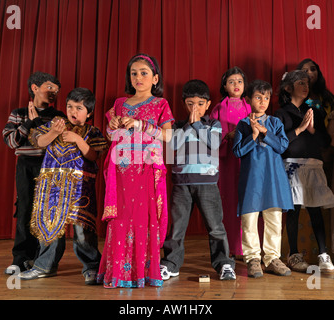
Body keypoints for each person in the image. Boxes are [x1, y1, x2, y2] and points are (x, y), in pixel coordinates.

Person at [97, 53, 174, 288]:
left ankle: (142, 273)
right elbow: (112, 136)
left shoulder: (160, 104)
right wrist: (111, 127)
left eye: (143, 73)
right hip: (120, 171)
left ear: (155, 78)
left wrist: (141, 125)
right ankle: (117, 273)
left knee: (142, 219)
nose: (138, 77)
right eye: (133, 73)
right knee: (120, 219)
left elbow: (168, 136)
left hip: (145, 170)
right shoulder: (120, 103)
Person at [18, 88, 108, 284]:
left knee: (83, 232)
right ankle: (44, 266)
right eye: (69, 106)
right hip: (52, 187)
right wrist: (53, 132)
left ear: (89, 113)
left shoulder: (92, 132)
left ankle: (92, 267)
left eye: (79, 108)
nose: (73, 111)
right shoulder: (53, 125)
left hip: (80, 189)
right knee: (49, 228)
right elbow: (39, 142)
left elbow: (94, 156)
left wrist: (77, 139)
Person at [160, 79, 236, 281]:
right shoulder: (176, 125)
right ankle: (170, 264)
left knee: (216, 227)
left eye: (200, 104)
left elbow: (214, 143)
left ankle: (224, 264)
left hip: (208, 184)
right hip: (181, 184)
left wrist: (196, 124)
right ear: (184, 103)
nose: (195, 108)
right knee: (176, 228)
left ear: (208, 104)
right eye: (190, 104)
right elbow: (173, 144)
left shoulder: (213, 124)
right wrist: (188, 126)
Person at [2, 71, 63, 275]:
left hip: (50, 166)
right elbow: (12, 142)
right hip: (26, 165)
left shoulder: (59, 116)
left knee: (47, 212)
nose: (54, 92)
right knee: (25, 209)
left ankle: (41, 259)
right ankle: (20, 259)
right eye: (49, 87)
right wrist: (29, 122)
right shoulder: (18, 113)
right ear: (35, 88)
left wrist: (37, 124)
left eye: (56, 89)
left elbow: (56, 142)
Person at [233, 80, 294, 278]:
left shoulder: (275, 123)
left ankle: (272, 258)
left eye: (266, 98)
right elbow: (238, 151)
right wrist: (253, 134)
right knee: (249, 220)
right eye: (258, 97)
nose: (263, 101)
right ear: (249, 99)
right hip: (252, 178)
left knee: (274, 219)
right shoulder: (242, 125)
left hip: (273, 178)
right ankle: (252, 259)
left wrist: (265, 132)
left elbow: (282, 146)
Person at [275, 70, 334, 272]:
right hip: (291, 165)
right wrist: (299, 129)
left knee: (315, 210)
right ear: (288, 88)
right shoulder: (281, 113)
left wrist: (312, 130)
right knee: (293, 210)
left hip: (313, 165)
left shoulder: (315, 112)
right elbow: (280, 145)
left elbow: (326, 142)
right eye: (300, 83)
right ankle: (294, 254)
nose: (305, 86)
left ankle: (323, 254)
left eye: (307, 83)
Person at [210, 67, 251, 257]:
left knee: (248, 200)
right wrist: (228, 137)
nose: (236, 85)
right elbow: (210, 136)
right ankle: (230, 248)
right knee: (228, 201)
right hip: (226, 160)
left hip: (247, 160)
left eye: (239, 81)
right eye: (231, 81)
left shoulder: (251, 107)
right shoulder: (218, 109)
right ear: (224, 86)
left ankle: (248, 248)